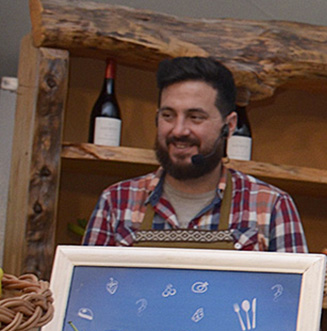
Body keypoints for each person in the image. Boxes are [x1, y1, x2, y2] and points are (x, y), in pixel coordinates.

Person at [81, 56, 307, 252]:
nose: (179, 130)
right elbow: (88, 296)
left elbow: (295, 301)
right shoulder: (116, 202)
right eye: (168, 116)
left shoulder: (270, 206)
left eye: (195, 117)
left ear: (229, 126)